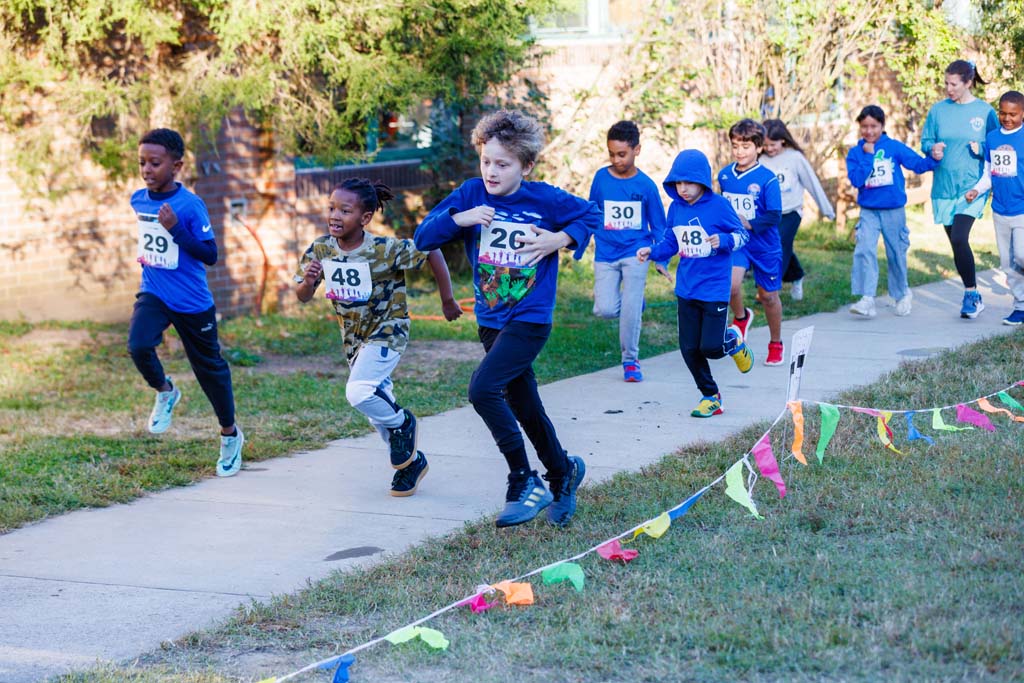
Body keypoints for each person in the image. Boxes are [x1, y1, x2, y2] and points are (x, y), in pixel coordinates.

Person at [414, 109, 601, 528]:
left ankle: (523, 479)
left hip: (530, 317)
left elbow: (591, 214)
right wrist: (458, 219)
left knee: (483, 389)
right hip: (490, 318)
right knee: (523, 402)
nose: (492, 172)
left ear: (526, 165)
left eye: (503, 164)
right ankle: (562, 471)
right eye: (486, 162)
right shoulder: (469, 194)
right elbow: (422, 238)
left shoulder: (545, 199)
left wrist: (560, 238)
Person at [294, 178, 461, 497]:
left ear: (365, 217)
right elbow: (302, 294)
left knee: (358, 391)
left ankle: (404, 422)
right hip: (355, 340)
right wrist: (309, 282)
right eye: (331, 208)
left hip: (389, 330)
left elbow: (431, 251)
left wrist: (448, 299)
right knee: (375, 411)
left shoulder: (385, 249)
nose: (335, 215)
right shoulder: (321, 248)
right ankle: (410, 464)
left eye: (345, 210)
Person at [128, 128, 244, 477]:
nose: (147, 169)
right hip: (154, 291)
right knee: (138, 345)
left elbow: (210, 254)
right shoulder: (138, 199)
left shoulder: (190, 205)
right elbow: (152, 242)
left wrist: (176, 229)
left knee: (210, 370)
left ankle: (230, 435)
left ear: (176, 165)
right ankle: (165, 391)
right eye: (142, 163)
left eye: (155, 163)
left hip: (192, 301)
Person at [637, 149, 753, 418]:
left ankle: (733, 340)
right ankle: (710, 396)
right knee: (689, 348)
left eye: (688, 183)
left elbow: (742, 236)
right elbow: (671, 242)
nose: (683, 189)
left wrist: (723, 241)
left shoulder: (720, 206)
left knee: (711, 347)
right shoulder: (676, 208)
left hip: (713, 288)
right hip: (687, 288)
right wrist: (651, 252)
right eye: (678, 183)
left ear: (702, 181)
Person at [587, 120, 670, 382]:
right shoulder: (601, 178)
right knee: (606, 309)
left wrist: (661, 257)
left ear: (637, 150)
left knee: (631, 309)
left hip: (637, 252)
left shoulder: (645, 185)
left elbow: (659, 225)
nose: (616, 159)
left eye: (621, 154)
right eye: (611, 153)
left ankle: (630, 360)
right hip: (606, 253)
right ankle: (634, 304)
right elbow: (591, 211)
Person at [846, 105, 942, 318]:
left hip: (893, 209)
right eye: (865, 127)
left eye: (874, 126)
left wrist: (935, 158)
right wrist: (868, 157)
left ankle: (901, 293)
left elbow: (916, 164)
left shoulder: (894, 147)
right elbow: (856, 179)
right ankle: (867, 298)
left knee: (896, 253)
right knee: (864, 249)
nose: (869, 131)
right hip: (869, 210)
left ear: (882, 125)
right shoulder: (856, 153)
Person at [921, 59, 999, 319]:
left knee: (959, 238)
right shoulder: (937, 111)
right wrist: (931, 149)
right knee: (955, 243)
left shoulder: (985, 112)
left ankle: (971, 294)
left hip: (972, 187)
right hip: (944, 187)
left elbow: (997, 144)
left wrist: (983, 150)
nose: (948, 89)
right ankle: (972, 293)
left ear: (968, 83)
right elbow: (926, 140)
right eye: (946, 83)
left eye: (953, 84)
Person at [718, 119, 785, 366]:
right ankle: (741, 316)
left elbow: (775, 215)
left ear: (759, 148)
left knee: (768, 296)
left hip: (764, 245)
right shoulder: (724, 175)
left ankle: (775, 342)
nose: (739, 152)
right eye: (735, 146)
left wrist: (750, 222)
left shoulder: (768, 179)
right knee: (731, 286)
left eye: (745, 147)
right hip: (738, 243)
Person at [760, 119, 836, 301]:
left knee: (778, 245)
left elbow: (812, 183)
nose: (769, 149)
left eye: (773, 144)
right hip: (769, 214)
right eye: (765, 145)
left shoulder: (795, 158)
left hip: (791, 212)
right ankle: (797, 275)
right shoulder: (760, 160)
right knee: (774, 245)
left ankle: (769, 288)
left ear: (783, 141)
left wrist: (827, 210)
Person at [966, 90, 1024, 326]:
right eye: (1003, 113)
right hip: (1000, 209)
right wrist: (977, 190)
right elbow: (989, 173)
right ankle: (1020, 307)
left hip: (1022, 208)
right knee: (1008, 263)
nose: (1007, 118)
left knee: (1021, 255)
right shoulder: (992, 138)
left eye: (1013, 114)